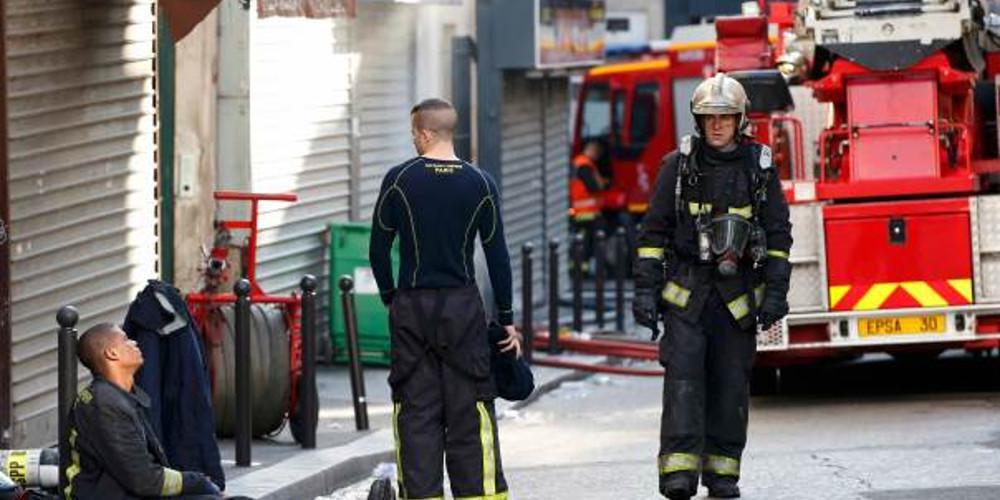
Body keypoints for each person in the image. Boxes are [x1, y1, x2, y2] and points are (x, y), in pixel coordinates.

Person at [632, 73, 793, 499]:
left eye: (725, 117)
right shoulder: (678, 166)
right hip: (687, 294)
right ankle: (677, 474)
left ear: (739, 119)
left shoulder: (759, 167)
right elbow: (653, 236)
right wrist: (644, 292)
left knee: (730, 385)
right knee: (683, 382)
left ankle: (723, 475)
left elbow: (778, 234)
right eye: (708, 117)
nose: (716, 125)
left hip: (736, 296)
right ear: (698, 120)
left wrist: (776, 291)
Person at [369, 98, 521, 500]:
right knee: (471, 411)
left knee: (416, 414)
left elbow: (378, 250)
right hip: (463, 311)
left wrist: (391, 298)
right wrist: (506, 318)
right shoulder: (481, 183)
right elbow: (497, 256)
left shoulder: (399, 180)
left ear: (423, 133)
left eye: (413, 134)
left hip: (411, 310)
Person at [66, 323, 223, 500]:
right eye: (125, 340)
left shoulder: (116, 396)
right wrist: (198, 482)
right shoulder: (105, 405)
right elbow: (144, 480)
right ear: (112, 353)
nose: (134, 343)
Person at [570, 141, 610, 269]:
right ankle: (583, 268)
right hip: (586, 212)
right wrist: (602, 184)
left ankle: (582, 267)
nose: (597, 157)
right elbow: (593, 187)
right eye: (597, 153)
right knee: (588, 242)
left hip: (583, 211)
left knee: (584, 241)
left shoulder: (581, 163)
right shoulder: (584, 164)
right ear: (592, 150)